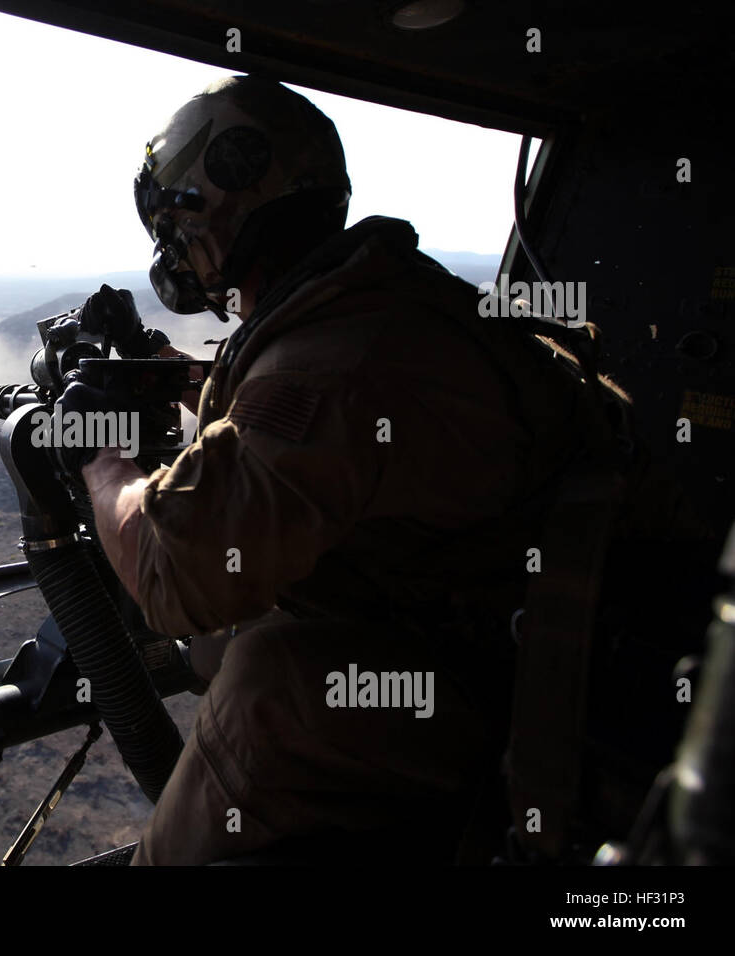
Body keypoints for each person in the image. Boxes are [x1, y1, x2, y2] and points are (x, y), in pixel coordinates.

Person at [55, 73, 618, 865]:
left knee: (268, 682)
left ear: (220, 204)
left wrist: (96, 453)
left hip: (504, 703)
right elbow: (281, 425)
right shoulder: (392, 307)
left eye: (175, 220)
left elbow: (173, 571)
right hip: (537, 654)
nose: (173, 247)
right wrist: (154, 367)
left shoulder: (336, 361)